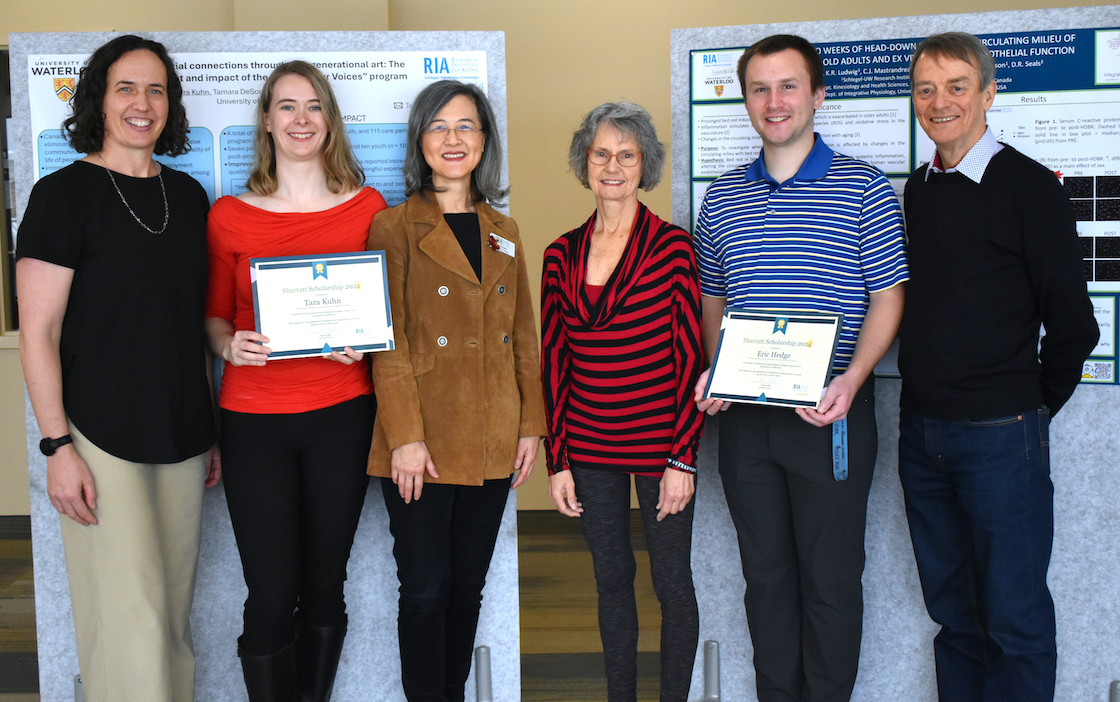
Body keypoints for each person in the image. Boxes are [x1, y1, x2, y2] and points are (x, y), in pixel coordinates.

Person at [692, 34, 908, 702]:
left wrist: (853, 378)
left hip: (830, 416)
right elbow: (713, 299)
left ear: (818, 96)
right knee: (766, 580)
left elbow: (888, 297)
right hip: (746, 425)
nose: (774, 102)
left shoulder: (864, 187)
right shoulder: (721, 198)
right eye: (760, 88)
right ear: (746, 101)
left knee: (831, 580)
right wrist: (717, 368)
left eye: (788, 87)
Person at [896, 32, 1099, 702]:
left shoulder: (1032, 189)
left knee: (1014, 623)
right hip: (923, 439)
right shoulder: (917, 191)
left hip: (1000, 439)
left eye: (957, 86)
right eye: (926, 88)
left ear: (988, 93)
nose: (940, 101)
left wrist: (1026, 408)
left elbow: (1074, 327)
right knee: (954, 618)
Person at [16, 34, 219, 702]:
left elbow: (189, 324)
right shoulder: (62, 196)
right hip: (100, 434)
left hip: (185, 433)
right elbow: (38, 333)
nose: (143, 103)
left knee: (172, 621)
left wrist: (211, 431)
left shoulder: (189, 198)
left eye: (156, 89)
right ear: (98, 99)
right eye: (126, 87)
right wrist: (57, 447)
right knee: (128, 620)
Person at [205, 60, 388, 702]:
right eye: (287, 106)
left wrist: (360, 344)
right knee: (270, 590)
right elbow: (215, 317)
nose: (301, 119)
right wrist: (229, 343)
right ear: (266, 120)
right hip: (253, 420)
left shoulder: (368, 208)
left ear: (330, 120)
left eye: (313, 107)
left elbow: (385, 315)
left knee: (324, 585)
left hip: (341, 414)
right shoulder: (229, 215)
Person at [368, 79, 543, 702]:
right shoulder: (393, 227)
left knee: (467, 586)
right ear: (420, 139)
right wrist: (405, 439)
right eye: (439, 126)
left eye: (466, 126)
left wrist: (531, 426)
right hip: (424, 442)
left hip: (494, 434)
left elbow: (524, 334)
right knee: (423, 589)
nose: (453, 139)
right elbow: (387, 343)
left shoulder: (505, 228)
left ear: (484, 140)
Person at [542, 101, 706, 702]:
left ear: (646, 165)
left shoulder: (671, 249)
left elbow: (692, 363)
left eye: (627, 155)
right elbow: (554, 363)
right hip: (588, 447)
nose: (613, 166)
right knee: (611, 582)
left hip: (660, 447)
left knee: (671, 585)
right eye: (601, 154)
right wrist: (557, 458)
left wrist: (682, 459)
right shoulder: (559, 254)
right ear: (585, 163)